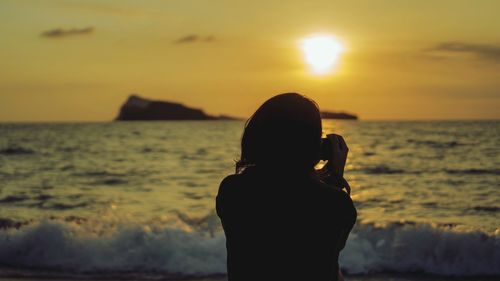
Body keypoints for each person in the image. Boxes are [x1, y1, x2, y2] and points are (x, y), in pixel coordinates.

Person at [216, 93, 357, 281]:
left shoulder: (233, 190)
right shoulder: (336, 203)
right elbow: (326, 262)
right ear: (313, 146)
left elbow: (280, 191)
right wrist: (335, 178)